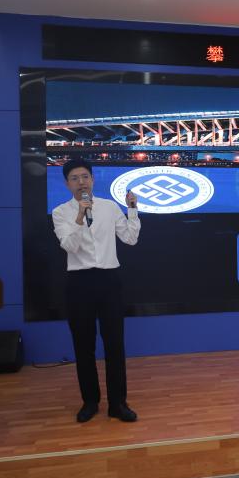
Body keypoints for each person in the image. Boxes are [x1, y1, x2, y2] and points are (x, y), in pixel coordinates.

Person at [52, 158, 141, 423]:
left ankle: (118, 404)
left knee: (115, 344)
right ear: (67, 183)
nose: (81, 182)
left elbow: (130, 238)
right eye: (75, 178)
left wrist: (132, 209)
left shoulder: (109, 207)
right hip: (79, 283)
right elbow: (70, 246)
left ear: (92, 179)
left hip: (109, 280)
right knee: (84, 345)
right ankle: (90, 402)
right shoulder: (60, 212)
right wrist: (80, 216)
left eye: (85, 177)